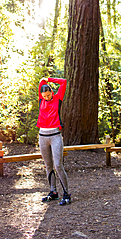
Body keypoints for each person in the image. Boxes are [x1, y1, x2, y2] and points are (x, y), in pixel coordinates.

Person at [37, 77, 71, 205]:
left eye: (48, 95)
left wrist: (49, 79)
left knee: (58, 165)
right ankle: (53, 192)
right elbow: (41, 83)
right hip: (42, 136)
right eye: (44, 96)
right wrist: (43, 81)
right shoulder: (41, 100)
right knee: (48, 166)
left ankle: (66, 194)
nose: (46, 97)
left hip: (55, 135)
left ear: (52, 92)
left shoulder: (58, 99)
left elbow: (64, 82)